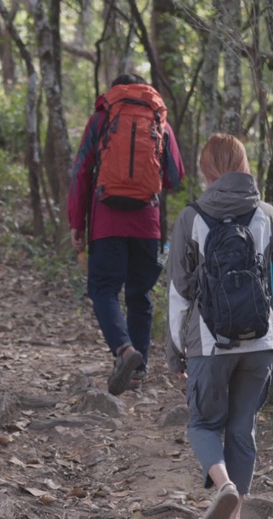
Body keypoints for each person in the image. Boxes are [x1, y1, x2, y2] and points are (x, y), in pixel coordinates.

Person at [165, 133, 273, 519]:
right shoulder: (267, 215)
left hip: (210, 342)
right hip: (261, 342)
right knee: (242, 430)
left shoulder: (192, 218)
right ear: (243, 165)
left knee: (203, 424)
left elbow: (178, 293)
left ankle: (222, 486)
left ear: (208, 171)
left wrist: (176, 352)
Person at [68, 74, 185, 395]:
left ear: (115, 91)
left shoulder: (102, 118)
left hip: (107, 222)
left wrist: (77, 222)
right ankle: (139, 370)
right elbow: (176, 175)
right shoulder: (159, 121)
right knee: (140, 295)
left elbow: (81, 171)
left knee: (103, 289)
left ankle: (124, 350)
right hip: (147, 224)